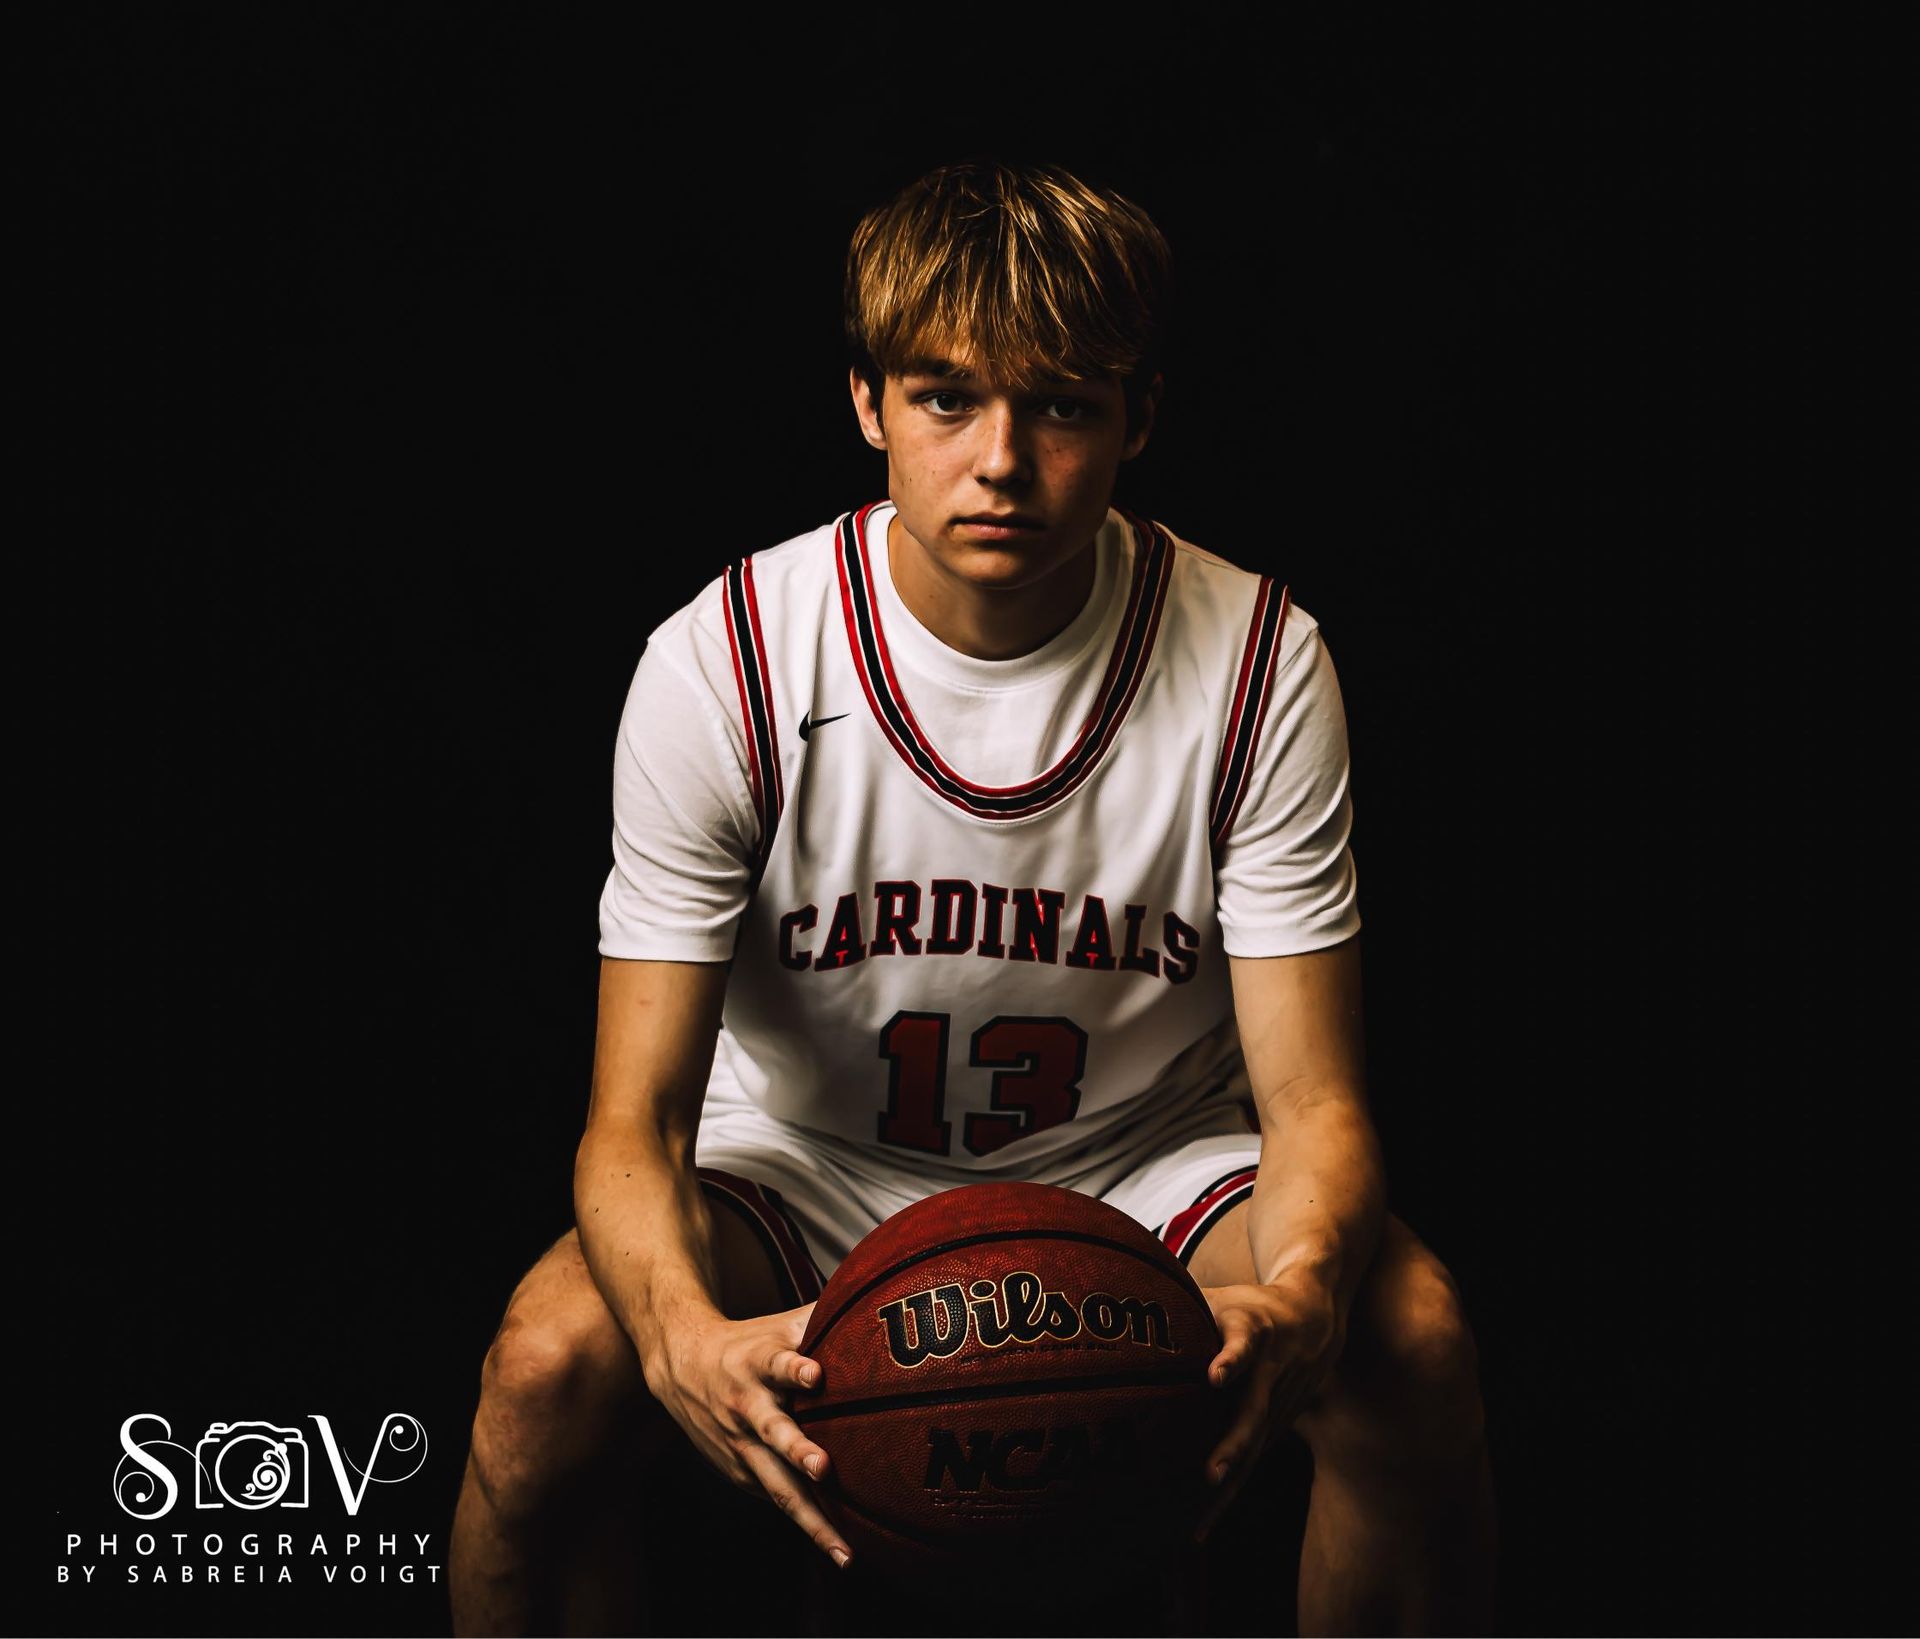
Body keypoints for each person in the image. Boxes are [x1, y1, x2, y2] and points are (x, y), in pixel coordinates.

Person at [448, 158, 1496, 1635]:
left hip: (1145, 1162)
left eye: (1061, 404)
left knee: (1416, 1342)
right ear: (869, 406)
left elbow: (1316, 1104)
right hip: (812, 1162)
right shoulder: (731, 661)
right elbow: (642, 1122)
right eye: (948, 399)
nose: (1001, 458)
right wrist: (682, 1336)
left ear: (1137, 420)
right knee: (548, 1368)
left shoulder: (1259, 659)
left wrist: (1308, 1294)